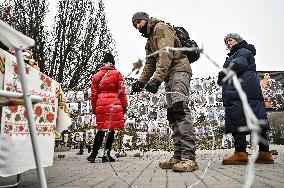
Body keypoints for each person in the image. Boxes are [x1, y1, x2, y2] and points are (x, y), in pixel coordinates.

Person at [131, 12, 198, 172]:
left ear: (146, 20)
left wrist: (156, 79)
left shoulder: (159, 28)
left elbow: (166, 53)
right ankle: (177, 156)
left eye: (139, 22)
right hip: (168, 74)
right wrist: (141, 82)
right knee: (172, 114)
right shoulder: (149, 41)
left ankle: (189, 158)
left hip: (179, 69)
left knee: (180, 110)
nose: (137, 26)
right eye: (135, 25)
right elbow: (150, 63)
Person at [217, 33, 274, 165]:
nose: (228, 43)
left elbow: (238, 65)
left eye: (230, 40)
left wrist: (222, 75)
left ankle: (240, 153)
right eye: (226, 42)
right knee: (257, 122)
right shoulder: (244, 52)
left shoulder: (241, 52)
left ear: (238, 40)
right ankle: (265, 154)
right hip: (248, 93)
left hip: (239, 93)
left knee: (238, 121)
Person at [87, 52, 128, 163]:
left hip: (100, 104)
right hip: (114, 105)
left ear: (103, 63)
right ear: (113, 63)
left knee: (101, 130)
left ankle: (93, 155)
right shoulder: (117, 74)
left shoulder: (96, 76)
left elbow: (93, 94)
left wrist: (94, 107)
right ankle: (106, 155)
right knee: (110, 131)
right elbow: (122, 92)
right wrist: (125, 105)